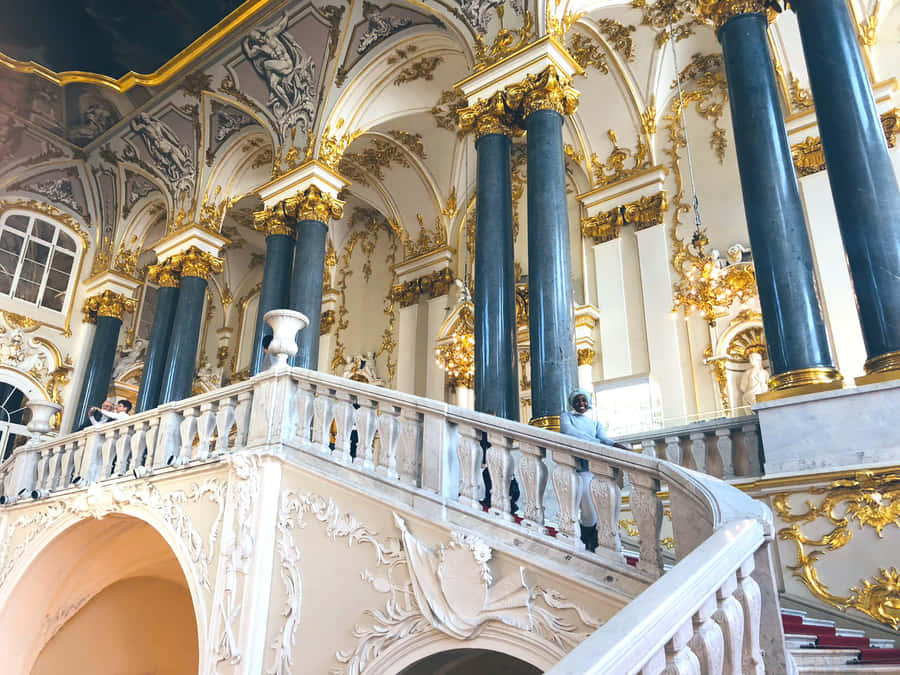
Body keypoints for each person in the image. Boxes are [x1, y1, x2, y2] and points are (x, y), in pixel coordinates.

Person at [560, 388, 630, 551]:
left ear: (589, 402)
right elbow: (569, 433)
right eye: (577, 400)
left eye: (584, 400)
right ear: (572, 403)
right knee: (588, 512)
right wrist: (596, 443)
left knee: (603, 510)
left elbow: (605, 439)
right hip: (580, 471)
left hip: (597, 471)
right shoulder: (567, 416)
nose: (581, 403)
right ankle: (587, 538)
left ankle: (593, 543)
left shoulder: (595, 423)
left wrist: (614, 445)